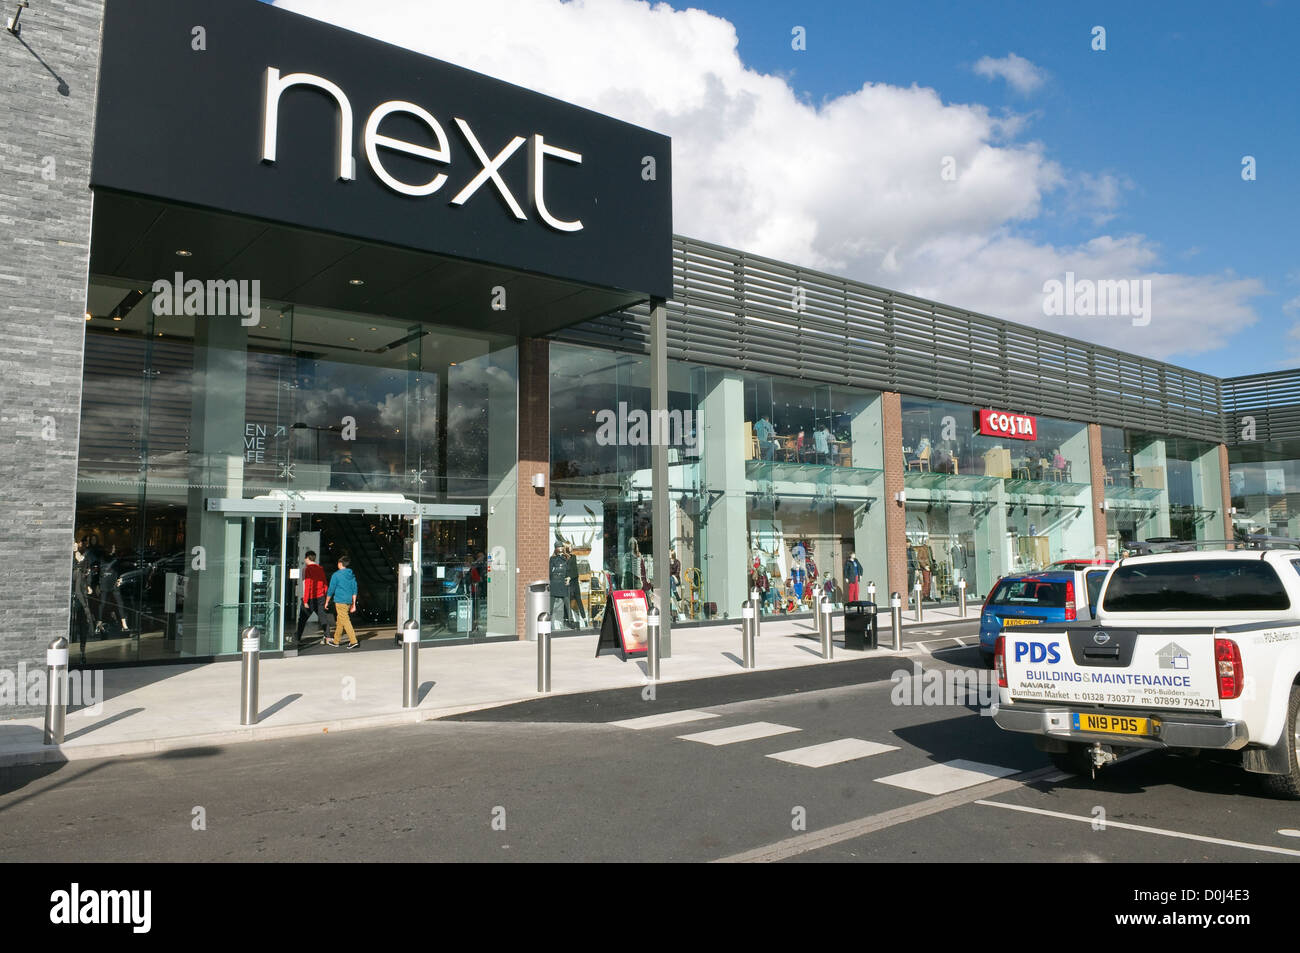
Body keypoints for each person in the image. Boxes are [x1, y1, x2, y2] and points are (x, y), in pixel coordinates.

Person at [294, 550, 331, 646]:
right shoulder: (320, 569)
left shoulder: (306, 569)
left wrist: (305, 601)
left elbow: (307, 586)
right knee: (323, 617)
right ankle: (328, 637)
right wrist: (324, 595)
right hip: (320, 597)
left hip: (310, 599)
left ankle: (298, 638)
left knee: (302, 619)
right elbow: (325, 584)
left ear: (307, 558)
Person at [324, 554, 359, 649]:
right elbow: (354, 589)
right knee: (340, 621)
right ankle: (336, 641)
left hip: (340, 601)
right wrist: (354, 604)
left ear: (340, 563)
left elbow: (331, 589)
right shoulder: (351, 575)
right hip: (348, 601)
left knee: (345, 620)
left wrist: (327, 601)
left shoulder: (336, 575)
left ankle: (353, 641)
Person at [549, 542, 570, 627]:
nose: (560, 548)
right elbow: (550, 571)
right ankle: (548, 620)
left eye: (561, 547)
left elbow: (568, 570)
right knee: (551, 602)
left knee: (566, 601)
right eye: (559, 547)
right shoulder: (552, 559)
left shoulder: (567, 558)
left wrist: (569, 577)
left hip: (562, 582)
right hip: (554, 582)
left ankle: (570, 619)